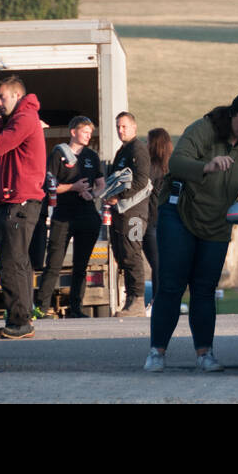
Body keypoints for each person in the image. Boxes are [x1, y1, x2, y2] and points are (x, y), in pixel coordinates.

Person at [145, 90, 238, 373]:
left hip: (217, 221)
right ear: (232, 113)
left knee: (204, 289)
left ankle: (205, 354)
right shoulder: (203, 129)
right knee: (172, 285)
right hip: (179, 213)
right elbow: (175, 163)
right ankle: (157, 352)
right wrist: (206, 166)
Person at [0, 75, 48, 339]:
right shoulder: (21, 118)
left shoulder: (23, 119)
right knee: (18, 264)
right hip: (12, 200)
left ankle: (20, 322)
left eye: (1, 97)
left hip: (19, 202)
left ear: (16, 95)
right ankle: (20, 320)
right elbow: (6, 166)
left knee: (11, 264)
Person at [34, 116, 104, 319]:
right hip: (63, 214)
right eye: (85, 131)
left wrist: (93, 194)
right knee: (54, 263)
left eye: (90, 132)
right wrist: (74, 187)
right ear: (73, 131)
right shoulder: (58, 153)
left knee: (81, 265)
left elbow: (101, 184)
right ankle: (41, 308)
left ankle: (76, 308)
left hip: (87, 214)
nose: (88, 135)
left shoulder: (92, 155)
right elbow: (50, 186)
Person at [108, 111, 152, 316]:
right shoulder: (122, 151)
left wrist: (119, 195)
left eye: (124, 126)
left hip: (134, 213)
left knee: (133, 252)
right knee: (123, 254)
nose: (120, 130)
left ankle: (138, 300)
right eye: (118, 126)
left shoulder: (138, 149)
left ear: (134, 127)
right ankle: (130, 299)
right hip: (120, 213)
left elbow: (141, 180)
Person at [144, 127, 174, 307]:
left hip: (151, 220)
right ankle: (163, 300)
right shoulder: (171, 167)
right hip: (168, 220)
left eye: (148, 142)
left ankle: (157, 301)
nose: (145, 145)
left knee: (157, 264)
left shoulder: (150, 168)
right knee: (163, 264)